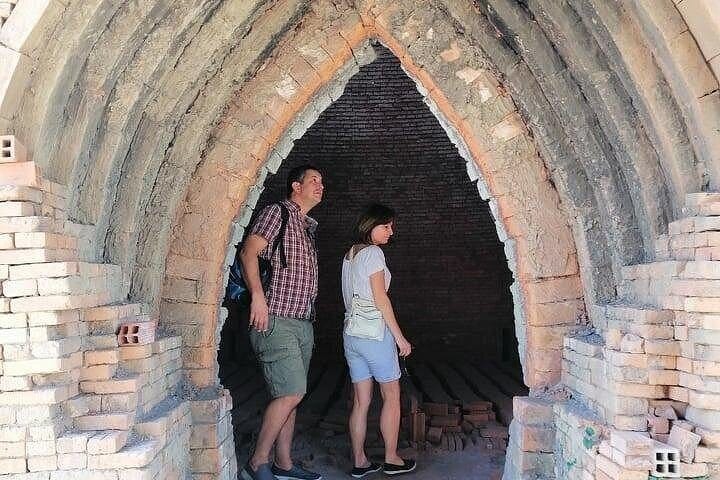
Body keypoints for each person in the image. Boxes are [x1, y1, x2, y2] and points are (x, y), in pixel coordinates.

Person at [240, 165, 324, 480]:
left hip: (302, 322)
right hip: (276, 318)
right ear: (295, 187)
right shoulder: (278, 213)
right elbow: (249, 253)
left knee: (291, 396)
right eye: (314, 180)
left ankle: (284, 464)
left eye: (322, 182)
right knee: (292, 392)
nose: (320, 185)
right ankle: (256, 463)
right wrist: (257, 298)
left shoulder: (307, 226)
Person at [342, 204, 416, 478]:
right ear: (369, 225)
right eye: (385, 226)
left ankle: (360, 462)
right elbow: (381, 299)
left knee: (361, 401)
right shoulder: (373, 253)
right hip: (374, 334)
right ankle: (392, 459)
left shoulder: (350, 254)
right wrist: (400, 338)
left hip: (351, 334)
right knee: (391, 395)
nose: (390, 231)